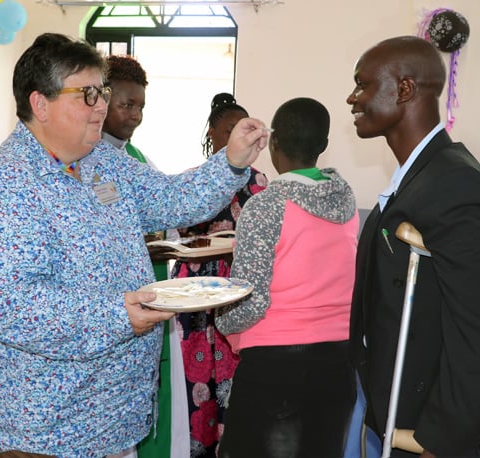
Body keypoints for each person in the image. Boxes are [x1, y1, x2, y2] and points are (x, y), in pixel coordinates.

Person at [0, 33, 268, 458]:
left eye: (100, 91)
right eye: (86, 94)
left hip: (115, 415)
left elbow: (171, 199)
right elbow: (11, 306)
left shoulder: (103, 161)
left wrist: (230, 161)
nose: (101, 104)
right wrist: (117, 315)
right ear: (39, 104)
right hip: (44, 428)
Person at [347, 36, 480, 457]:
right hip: (407, 411)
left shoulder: (454, 184)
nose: (352, 97)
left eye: (363, 84)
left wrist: (439, 437)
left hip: (449, 434)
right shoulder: (422, 175)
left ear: (404, 90)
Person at [216, 97, 359, 458]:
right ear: (324, 146)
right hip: (339, 364)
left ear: (273, 143)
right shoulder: (346, 200)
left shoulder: (265, 205)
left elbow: (250, 298)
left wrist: (223, 320)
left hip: (275, 371)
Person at [170, 92, 267, 457]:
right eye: (230, 130)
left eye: (246, 130)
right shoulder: (192, 181)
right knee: (193, 382)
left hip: (235, 292)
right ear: (212, 133)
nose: (240, 138)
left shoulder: (259, 183)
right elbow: (179, 229)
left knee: (232, 379)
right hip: (192, 292)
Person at [101, 55, 189, 458]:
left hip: (150, 293)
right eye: (126, 105)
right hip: (112, 309)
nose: (135, 116)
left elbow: (168, 218)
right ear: (99, 100)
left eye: (140, 107)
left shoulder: (136, 158)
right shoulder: (86, 160)